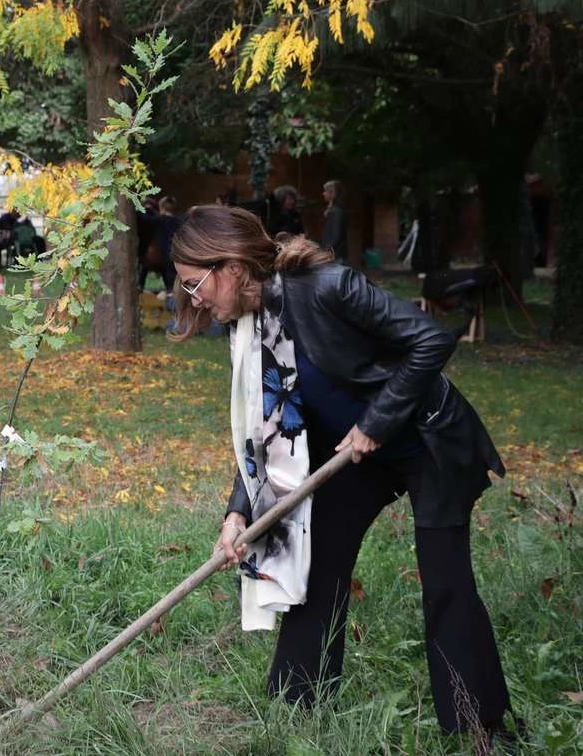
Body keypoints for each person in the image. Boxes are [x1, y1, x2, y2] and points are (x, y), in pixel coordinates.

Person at [168, 206, 515, 747]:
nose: (195, 300)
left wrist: (376, 421)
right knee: (319, 557)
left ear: (231, 265)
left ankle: (481, 726)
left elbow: (431, 339)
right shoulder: (250, 329)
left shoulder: (328, 287)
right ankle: (296, 705)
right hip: (354, 455)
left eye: (195, 285)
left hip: (425, 439)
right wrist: (239, 513)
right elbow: (264, 432)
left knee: (445, 580)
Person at [320, 179, 349, 265]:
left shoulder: (336, 212)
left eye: (326, 191)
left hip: (335, 255)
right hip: (333, 254)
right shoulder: (333, 210)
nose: (323, 193)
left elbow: (336, 235)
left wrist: (327, 250)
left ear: (332, 193)